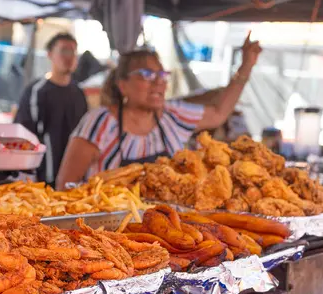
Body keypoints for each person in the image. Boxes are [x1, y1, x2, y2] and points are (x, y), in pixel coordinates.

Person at [56, 32, 262, 189]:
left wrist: (246, 66)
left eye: (162, 75)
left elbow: (218, 112)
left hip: (164, 229)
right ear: (122, 85)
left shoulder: (173, 116)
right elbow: (65, 185)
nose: (158, 83)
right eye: (146, 74)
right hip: (107, 233)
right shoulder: (99, 123)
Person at [14, 33, 88, 186]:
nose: (69, 57)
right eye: (64, 51)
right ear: (50, 54)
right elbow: (23, 134)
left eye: (73, 51)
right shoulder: (36, 91)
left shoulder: (79, 93)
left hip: (73, 179)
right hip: (42, 179)